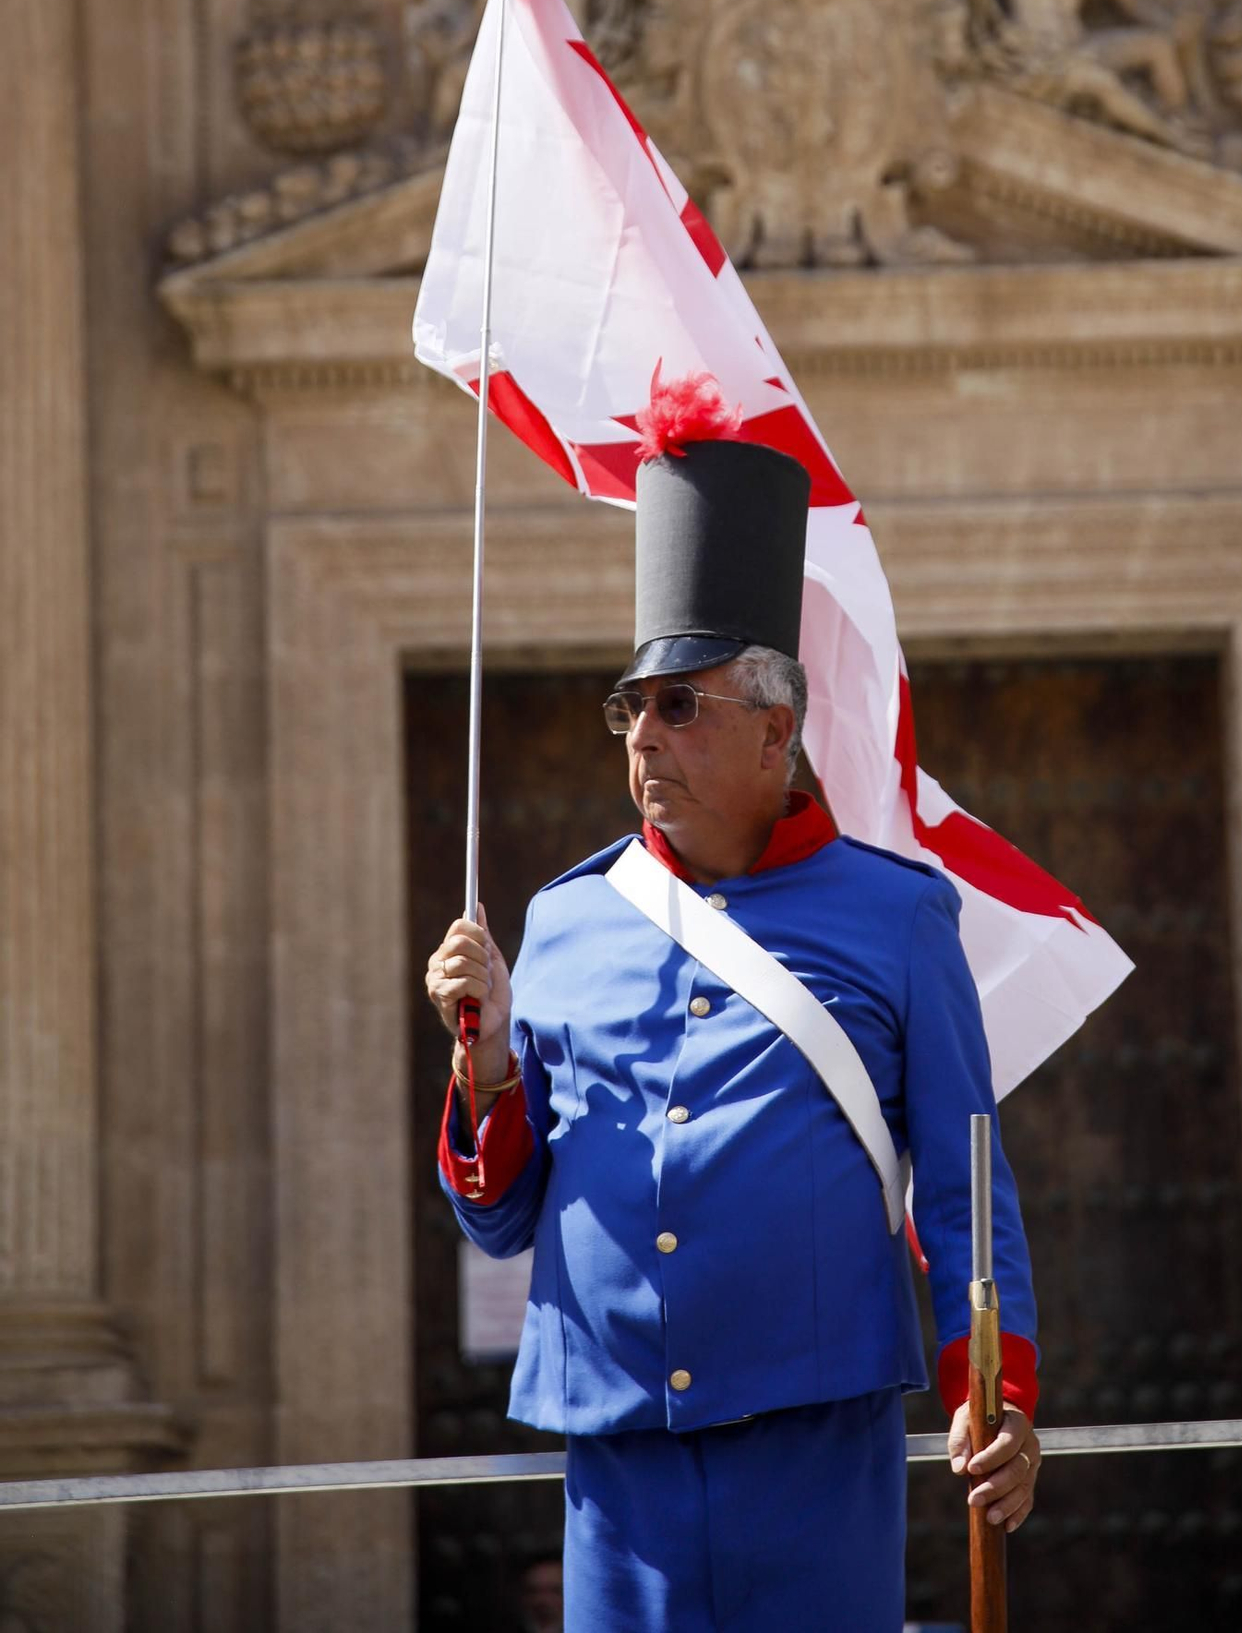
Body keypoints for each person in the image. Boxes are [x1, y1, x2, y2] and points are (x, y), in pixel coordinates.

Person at [426, 394, 1042, 1632]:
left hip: (812, 1438)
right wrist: (485, 1063)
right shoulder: (565, 919)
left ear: (775, 729)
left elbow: (968, 1187)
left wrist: (999, 1386)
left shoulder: (895, 916)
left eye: (680, 705)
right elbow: (498, 1219)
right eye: (630, 710)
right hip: (617, 1452)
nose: (643, 737)